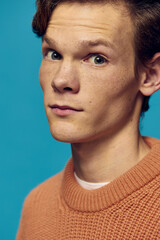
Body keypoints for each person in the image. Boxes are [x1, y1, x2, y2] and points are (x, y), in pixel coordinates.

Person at [16, 0, 160, 239]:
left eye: (97, 59)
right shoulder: (36, 206)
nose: (61, 80)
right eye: (54, 54)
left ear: (150, 75)